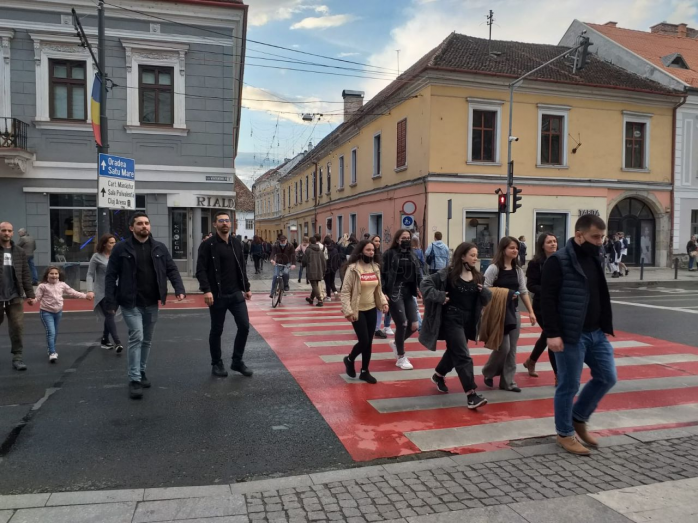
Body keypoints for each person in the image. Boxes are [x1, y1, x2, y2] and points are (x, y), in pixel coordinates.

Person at [541, 214, 616, 456]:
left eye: (602, 237)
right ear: (579, 235)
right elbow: (547, 300)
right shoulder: (558, 261)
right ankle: (564, 434)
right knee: (569, 385)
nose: (600, 241)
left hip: (596, 333)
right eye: (596, 236)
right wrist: (552, 334)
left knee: (607, 376)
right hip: (571, 334)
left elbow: (599, 293)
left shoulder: (595, 257)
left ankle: (578, 418)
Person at [105, 212, 186, 400]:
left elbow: (171, 269)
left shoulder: (159, 247)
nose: (144, 226)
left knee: (147, 340)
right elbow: (111, 275)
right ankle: (134, 379)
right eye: (140, 223)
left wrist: (179, 288)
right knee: (137, 336)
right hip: (129, 301)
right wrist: (110, 300)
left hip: (151, 301)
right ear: (132, 228)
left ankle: (141, 372)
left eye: (147, 223)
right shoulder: (121, 249)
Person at [420, 242, 491, 408]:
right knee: (462, 355)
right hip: (451, 318)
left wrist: (484, 292)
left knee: (454, 351)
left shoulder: (478, 276)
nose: (476, 258)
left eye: (476, 255)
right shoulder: (448, 274)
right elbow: (424, 284)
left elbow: (487, 299)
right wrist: (439, 296)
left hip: (469, 321)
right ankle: (471, 394)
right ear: (462, 256)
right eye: (472, 255)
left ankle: (438, 375)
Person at [197, 211, 253, 378]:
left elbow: (241, 268)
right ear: (215, 224)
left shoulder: (236, 244)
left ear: (231, 224)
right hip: (217, 294)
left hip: (236, 294)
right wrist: (206, 290)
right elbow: (201, 270)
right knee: (217, 330)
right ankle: (217, 363)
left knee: (244, 326)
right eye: (221, 221)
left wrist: (247, 287)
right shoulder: (208, 245)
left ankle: (237, 361)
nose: (225, 223)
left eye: (227, 221)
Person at [481, 236, 536, 392]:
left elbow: (523, 291)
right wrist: (505, 294)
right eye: (512, 247)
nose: (515, 250)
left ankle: (508, 381)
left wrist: (531, 312)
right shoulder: (494, 268)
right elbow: (485, 289)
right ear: (503, 249)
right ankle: (488, 372)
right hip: (498, 312)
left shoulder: (518, 270)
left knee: (512, 348)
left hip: (514, 311)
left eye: (517, 248)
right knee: (503, 347)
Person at [341, 240, 389, 384]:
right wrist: (348, 311)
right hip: (357, 310)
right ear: (361, 251)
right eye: (368, 250)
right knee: (364, 341)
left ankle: (364, 371)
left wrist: (384, 303)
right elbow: (345, 292)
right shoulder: (353, 269)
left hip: (372, 309)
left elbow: (378, 289)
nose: (371, 252)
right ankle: (349, 359)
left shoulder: (376, 267)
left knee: (369, 343)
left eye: (373, 250)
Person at [382, 229, 423, 370]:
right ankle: (401, 357)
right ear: (397, 239)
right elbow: (382, 273)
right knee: (403, 323)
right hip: (394, 291)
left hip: (408, 291)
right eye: (403, 237)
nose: (406, 240)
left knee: (415, 325)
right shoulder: (389, 254)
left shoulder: (412, 254)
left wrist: (420, 287)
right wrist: (382, 291)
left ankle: (396, 343)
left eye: (408, 237)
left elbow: (418, 272)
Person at [36, 266, 92, 363]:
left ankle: (50, 348)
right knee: (51, 332)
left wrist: (85, 296)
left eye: (56, 273)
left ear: (59, 275)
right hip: (46, 312)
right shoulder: (42, 286)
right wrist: (32, 301)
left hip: (58, 312)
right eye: (51, 273)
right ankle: (52, 352)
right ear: (47, 275)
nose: (54, 275)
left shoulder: (62, 285)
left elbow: (72, 292)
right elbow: (37, 297)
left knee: (55, 332)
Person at [0, 222, 36, 371]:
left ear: (13, 233)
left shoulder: (19, 251)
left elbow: (25, 274)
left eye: (9, 231)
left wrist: (30, 294)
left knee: (17, 327)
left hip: (15, 295)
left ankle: (18, 357)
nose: (6, 233)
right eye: (3, 230)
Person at [522, 233, 558, 380]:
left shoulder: (561, 260)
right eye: (549, 242)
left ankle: (531, 361)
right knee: (551, 336)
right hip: (542, 305)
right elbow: (530, 285)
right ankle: (558, 375)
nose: (553, 244)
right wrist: (548, 292)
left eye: (555, 241)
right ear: (542, 245)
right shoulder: (536, 263)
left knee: (547, 335)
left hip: (558, 305)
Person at [86, 234, 123, 353]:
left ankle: (105, 339)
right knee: (110, 314)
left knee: (109, 316)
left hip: (116, 290)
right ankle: (117, 342)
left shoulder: (117, 256)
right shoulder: (96, 257)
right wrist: (90, 290)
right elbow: (90, 274)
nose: (113, 244)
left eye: (114, 242)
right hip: (102, 291)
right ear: (104, 244)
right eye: (111, 243)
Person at [303, 236, 326, 306]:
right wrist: (324, 270)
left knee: (314, 284)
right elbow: (324, 261)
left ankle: (320, 300)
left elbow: (304, 260)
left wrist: (303, 264)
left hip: (311, 270)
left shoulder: (308, 250)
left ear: (309, 242)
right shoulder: (320, 250)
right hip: (319, 270)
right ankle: (311, 298)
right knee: (315, 284)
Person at [324, 236, 343, 301]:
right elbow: (338, 259)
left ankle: (328, 296)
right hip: (334, 268)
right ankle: (335, 292)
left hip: (327, 268)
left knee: (327, 282)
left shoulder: (325, 250)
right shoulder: (335, 250)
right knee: (332, 281)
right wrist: (337, 266)